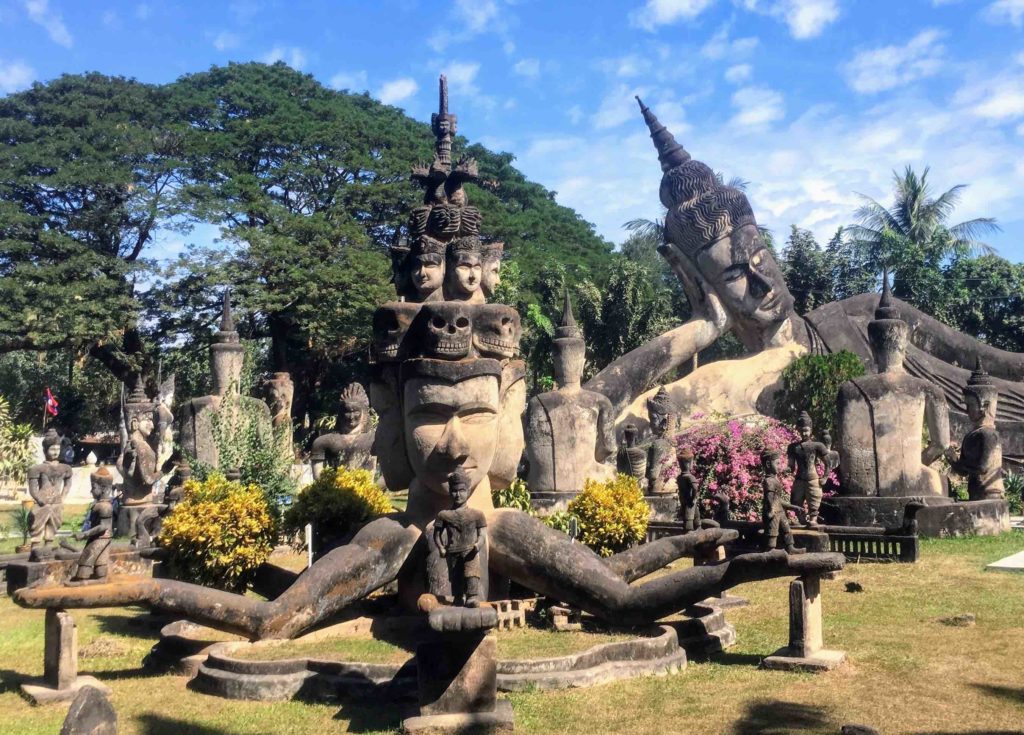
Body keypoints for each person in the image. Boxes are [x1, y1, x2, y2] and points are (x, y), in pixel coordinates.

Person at [433, 467, 487, 607]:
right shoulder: (444, 515)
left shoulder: (477, 514)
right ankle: (458, 597)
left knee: (472, 574)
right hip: (453, 551)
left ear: (468, 492)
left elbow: (482, 533)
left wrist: (478, 544)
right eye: (454, 491)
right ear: (450, 492)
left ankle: (472, 597)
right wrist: (441, 548)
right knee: (456, 577)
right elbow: (437, 535)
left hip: (471, 551)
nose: (458, 495)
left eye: (461, 491)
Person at [786, 412, 831, 526]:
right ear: (798, 430)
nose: (804, 433)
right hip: (799, 479)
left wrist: (825, 477)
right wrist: (782, 470)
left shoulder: (817, 446)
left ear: (811, 430)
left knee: (814, 501)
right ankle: (801, 519)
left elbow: (828, 463)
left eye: (806, 430)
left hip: (813, 479)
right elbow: (791, 466)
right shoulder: (793, 447)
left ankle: (813, 519)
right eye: (802, 430)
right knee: (796, 501)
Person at [71, 467, 114, 583]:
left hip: (100, 537)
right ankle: (100, 579)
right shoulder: (101, 505)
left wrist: (85, 534)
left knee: (85, 560)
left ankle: (83, 580)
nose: (91, 491)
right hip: (102, 537)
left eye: (94, 487)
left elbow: (104, 526)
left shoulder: (104, 507)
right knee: (100, 561)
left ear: (103, 488)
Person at [761, 449, 805, 555]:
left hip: (779, 511)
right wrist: (771, 511)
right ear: (768, 464)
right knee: (772, 532)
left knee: (786, 529)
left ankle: (790, 547)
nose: (779, 466)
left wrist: (793, 507)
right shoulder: (769, 481)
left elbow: (778, 500)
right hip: (773, 512)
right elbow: (770, 497)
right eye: (777, 463)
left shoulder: (774, 480)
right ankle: (770, 550)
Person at [676, 448, 700, 532]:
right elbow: (695, 488)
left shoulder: (679, 477)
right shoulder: (690, 477)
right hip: (689, 502)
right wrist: (693, 498)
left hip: (683, 500)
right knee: (689, 523)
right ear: (689, 463)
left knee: (696, 520)